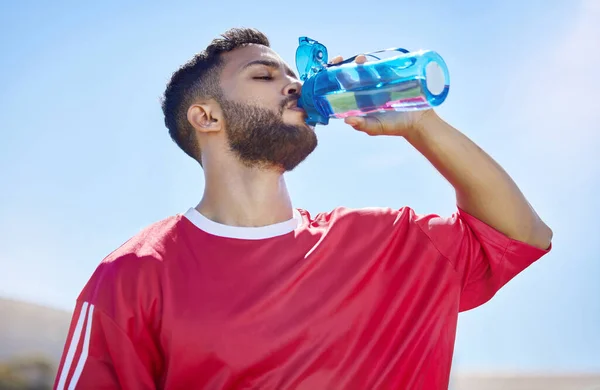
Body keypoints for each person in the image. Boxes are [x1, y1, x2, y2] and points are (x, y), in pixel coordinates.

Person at [53, 28, 552, 390]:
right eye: (265, 75)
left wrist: (421, 123)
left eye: (293, 75)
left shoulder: (387, 242)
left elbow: (523, 234)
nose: (294, 85)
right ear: (205, 116)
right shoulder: (132, 275)